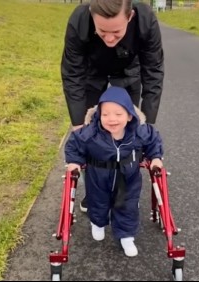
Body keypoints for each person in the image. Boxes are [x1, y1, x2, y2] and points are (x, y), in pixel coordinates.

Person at [61, 0, 164, 213]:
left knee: (127, 133)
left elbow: (153, 72)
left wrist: (148, 122)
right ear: (91, 15)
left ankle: (125, 193)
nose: (109, 38)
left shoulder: (145, 20)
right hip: (93, 72)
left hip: (128, 71)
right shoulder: (79, 20)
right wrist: (79, 123)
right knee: (92, 134)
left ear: (130, 17)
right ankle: (96, 191)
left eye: (116, 31)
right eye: (102, 30)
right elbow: (72, 74)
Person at [65, 86, 163, 257]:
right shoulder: (91, 133)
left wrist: (155, 157)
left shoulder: (139, 132)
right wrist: (73, 162)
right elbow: (74, 143)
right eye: (105, 114)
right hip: (98, 176)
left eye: (118, 114)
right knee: (97, 202)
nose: (112, 119)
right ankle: (98, 223)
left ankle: (126, 236)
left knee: (127, 205)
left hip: (128, 178)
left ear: (129, 115)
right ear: (98, 115)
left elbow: (153, 140)